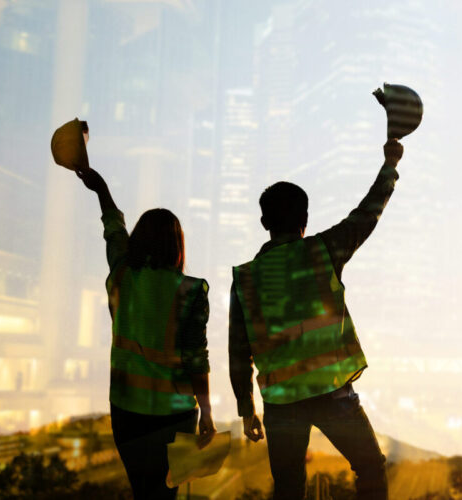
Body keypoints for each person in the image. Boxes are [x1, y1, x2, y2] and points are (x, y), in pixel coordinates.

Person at [229, 139, 404, 499]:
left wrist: (246, 408)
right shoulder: (324, 250)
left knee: (290, 487)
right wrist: (389, 165)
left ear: (264, 222)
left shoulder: (246, 277)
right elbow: (367, 214)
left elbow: (237, 351)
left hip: (281, 399)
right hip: (332, 391)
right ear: (304, 220)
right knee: (370, 467)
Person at [77, 163, 216, 500]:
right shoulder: (191, 290)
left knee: (143, 492)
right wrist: (207, 412)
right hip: (176, 414)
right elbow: (196, 359)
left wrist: (101, 189)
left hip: (126, 411)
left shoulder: (122, 274)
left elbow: (114, 229)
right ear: (177, 246)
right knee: (165, 494)